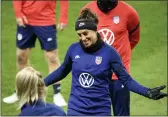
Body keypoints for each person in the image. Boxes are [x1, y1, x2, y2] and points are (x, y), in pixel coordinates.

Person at [44, 8, 168, 116]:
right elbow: (62, 71)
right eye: (79, 34)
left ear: (95, 30)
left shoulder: (110, 53)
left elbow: (126, 80)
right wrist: (40, 83)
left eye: (85, 33)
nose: (83, 38)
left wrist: (147, 92)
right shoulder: (73, 49)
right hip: (76, 110)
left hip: (100, 111)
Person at [3, 0, 68, 107]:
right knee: (21, 57)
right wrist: (18, 13)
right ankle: (21, 91)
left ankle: (57, 93)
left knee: (52, 57)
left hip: (46, 21)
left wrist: (63, 17)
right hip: (25, 20)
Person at [81, 0, 140, 115]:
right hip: (97, 75)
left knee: (121, 114)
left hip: (120, 76)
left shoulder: (129, 12)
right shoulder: (86, 11)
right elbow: (84, 40)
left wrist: (117, 57)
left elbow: (134, 39)